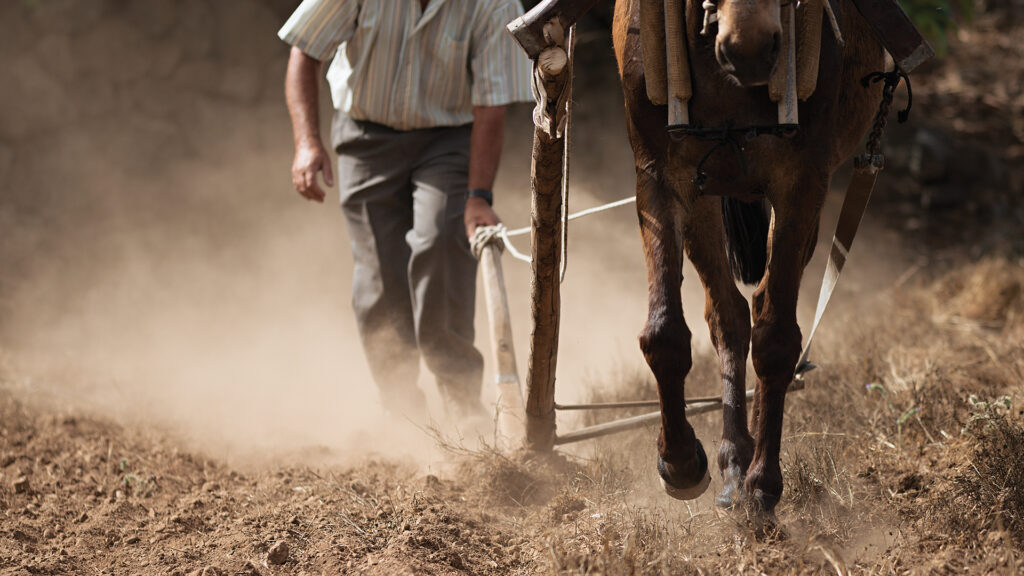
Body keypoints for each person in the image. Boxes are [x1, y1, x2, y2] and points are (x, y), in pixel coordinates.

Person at [279, 1, 531, 422]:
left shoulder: (493, 4)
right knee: (378, 276)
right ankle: (401, 409)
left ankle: (461, 401)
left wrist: (478, 197)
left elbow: (492, 103)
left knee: (439, 241)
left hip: (446, 140)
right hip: (364, 137)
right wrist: (307, 143)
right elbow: (304, 52)